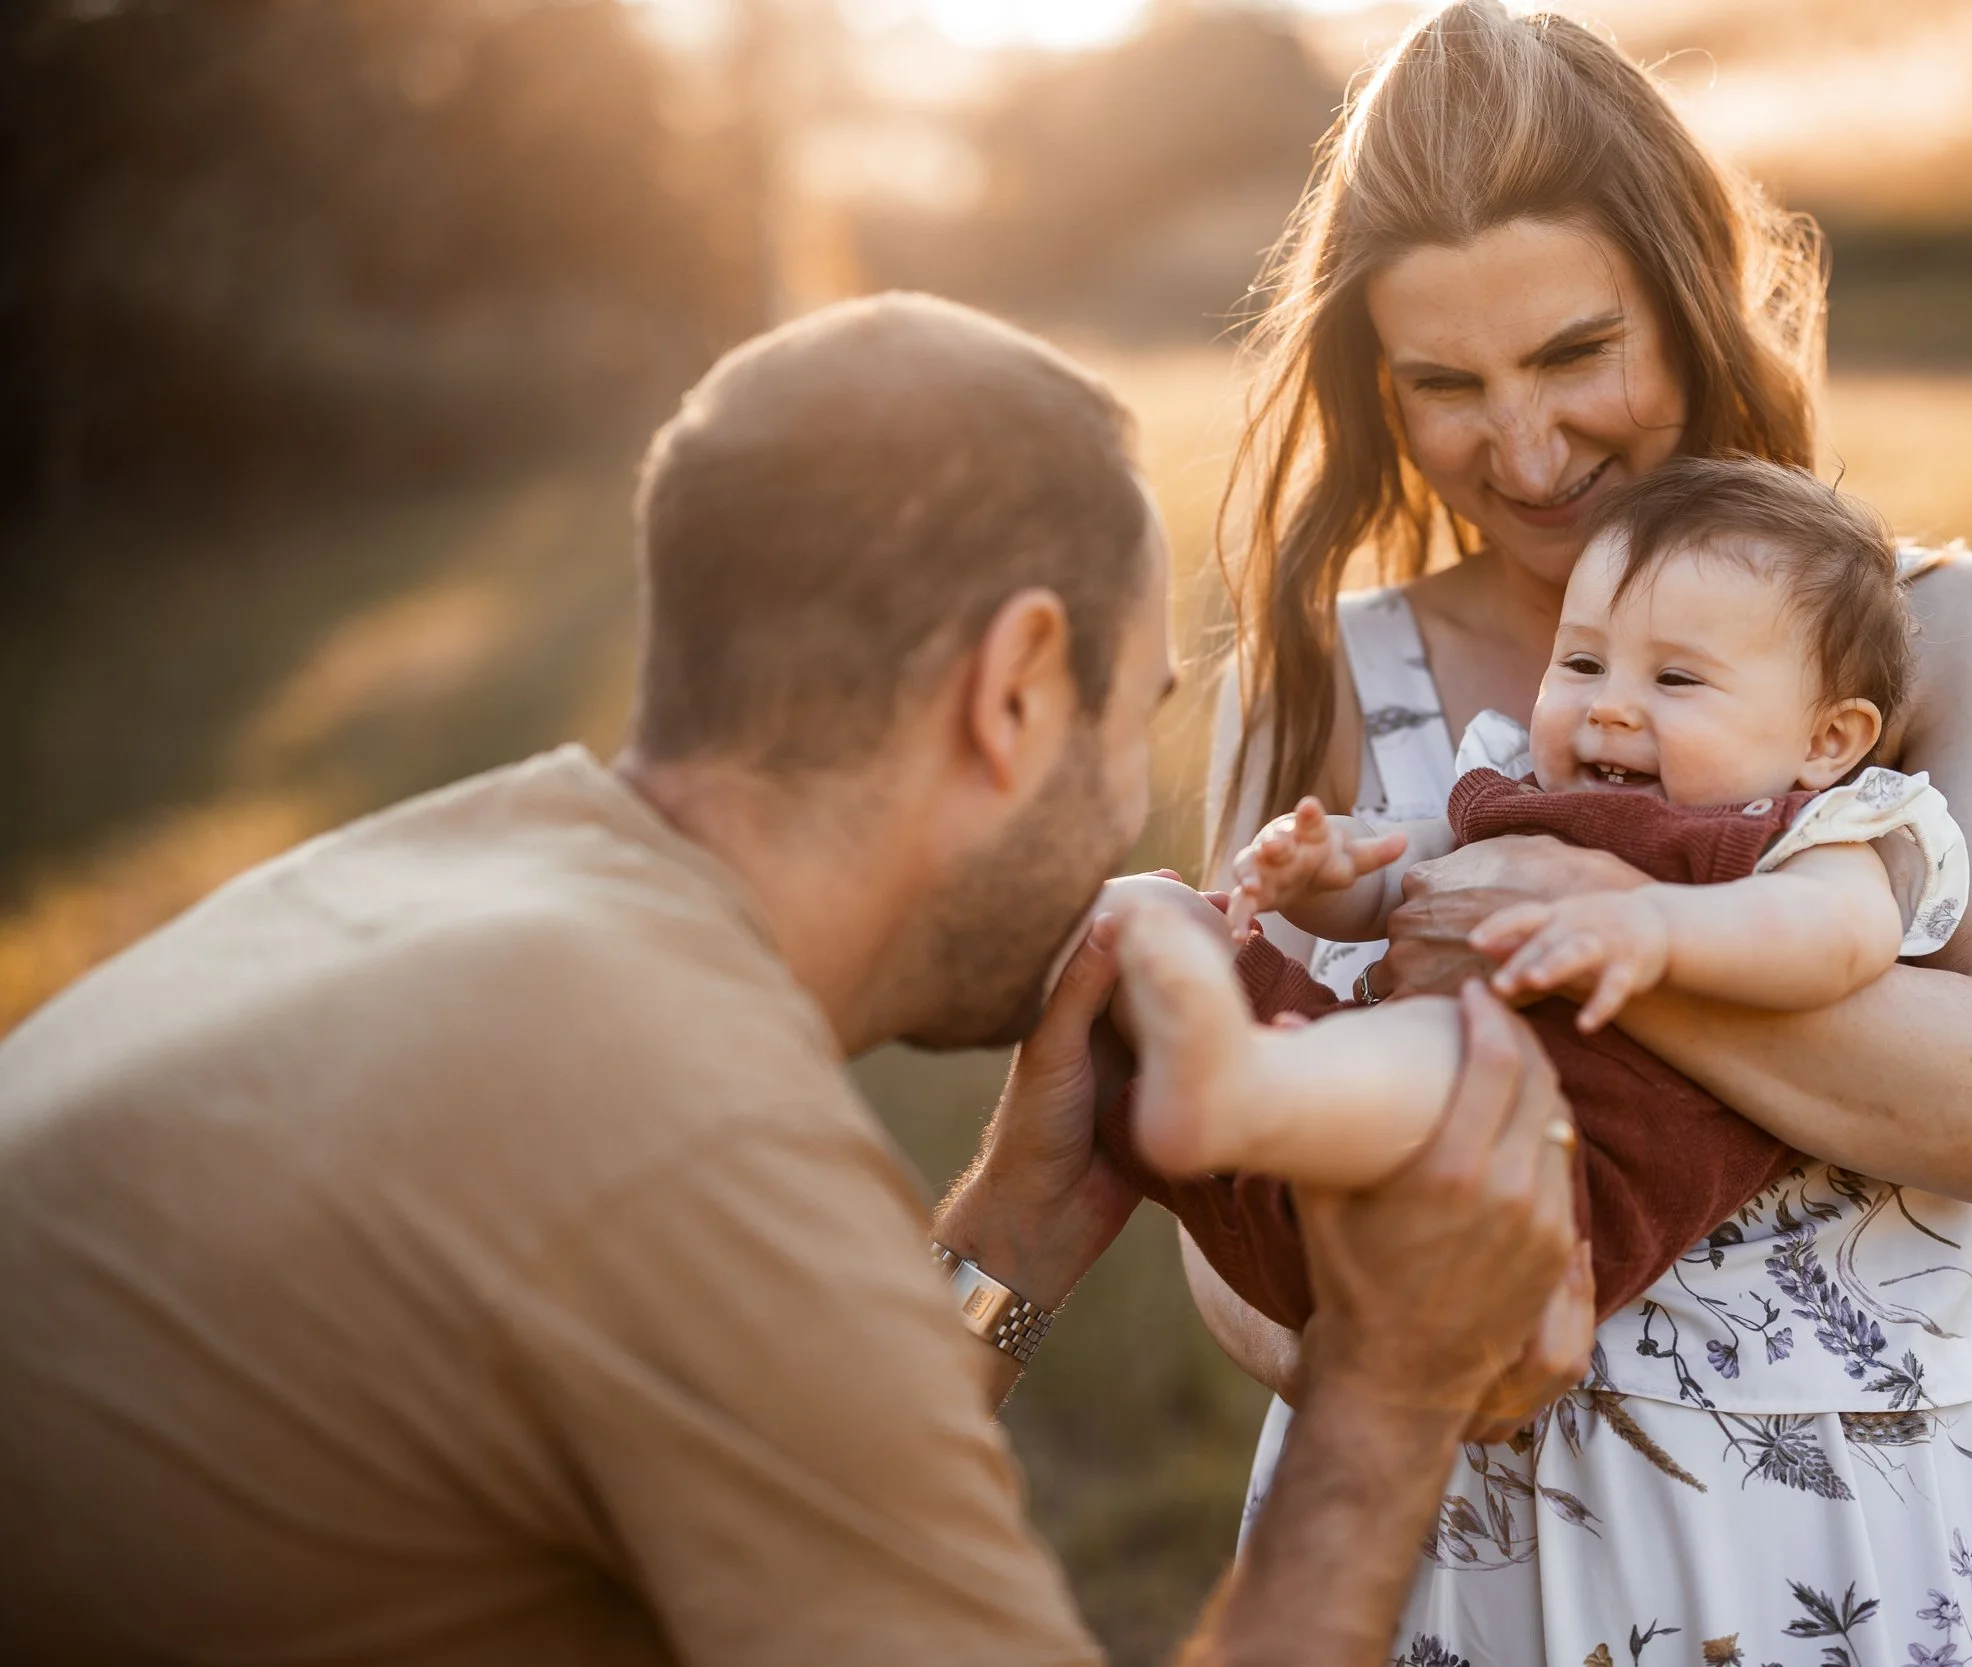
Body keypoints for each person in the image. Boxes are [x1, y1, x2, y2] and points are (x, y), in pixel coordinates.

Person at [0, 293, 1590, 1666]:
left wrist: (1014, 1235)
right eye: (1138, 718)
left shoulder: (447, 882)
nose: (1135, 810)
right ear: (1017, 689)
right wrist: (1384, 1395)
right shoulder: (677, 1127)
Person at [1189, 7, 1972, 1665]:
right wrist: (1429, 1353)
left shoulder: (1947, 635)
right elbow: (1230, 1193)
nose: (1526, 452)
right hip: (1448, 1521)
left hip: (1831, 1524)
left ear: (1694, 300)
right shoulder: (1325, 672)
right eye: (1444, 384)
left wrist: (1557, 913)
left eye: (1573, 353)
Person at [1102, 459, 1968, 1337]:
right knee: (1147, 910)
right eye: (1584, 661)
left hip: (1520, 1205)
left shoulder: (1810, 838)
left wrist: (1654, 924)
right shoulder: (1521, 789)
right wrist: (1328, 874)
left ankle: (1253, 1090)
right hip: (1339, 1169)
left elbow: (1837, 937)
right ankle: (1226, 1081)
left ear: (1828, 738)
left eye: (1676, 680)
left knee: (1460, 1042)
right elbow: (1402, 894)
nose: (1612, 709)